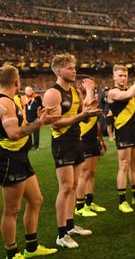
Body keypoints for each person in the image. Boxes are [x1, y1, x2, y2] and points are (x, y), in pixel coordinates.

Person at [0, 65, 60, 259]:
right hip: (9, 158)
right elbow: (14, 134)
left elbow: (21, 126)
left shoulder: (13, 100)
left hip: (20, 157)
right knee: (12, 210)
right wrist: (39, 123)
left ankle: (31, 247)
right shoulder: (4, 103)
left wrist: (41, 117)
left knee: (36, 200)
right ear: (16, 81)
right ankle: (12, 253)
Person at [42, 54, 101, 248]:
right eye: (70, 68)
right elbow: (56, 123)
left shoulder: (75, 92)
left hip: (76, 140)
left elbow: (82, 114)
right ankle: (61, 234)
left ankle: (70, 225)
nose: (74, 71)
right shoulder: (53, 93)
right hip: (62, 143)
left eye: (74, 67)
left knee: (74, 186)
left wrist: (89, 98)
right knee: (66, 187)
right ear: (59, 71)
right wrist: (83, 115)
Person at [107, 62, 135, 213]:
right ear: (114, 77)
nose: (123, 78)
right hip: (123, 132)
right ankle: (122, 201)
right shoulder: (112, 92)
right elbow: (128, 95)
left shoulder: (130, 88)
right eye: (120, 75)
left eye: (125, 75)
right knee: (124, 165)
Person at [74, 83, 108, 218]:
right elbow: (85, 109)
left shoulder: (92, 103)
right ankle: (80, 206)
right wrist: (89, 91)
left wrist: (101, 140)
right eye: (91, 91)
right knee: (84, 173)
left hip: (93, 140)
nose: (94, 93)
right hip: (83, 140)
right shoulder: (80, 105)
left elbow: (97, 124)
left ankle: (89, 202)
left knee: (91, 173)